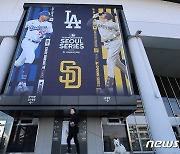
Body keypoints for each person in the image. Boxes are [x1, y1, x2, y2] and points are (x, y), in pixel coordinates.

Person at [87, 12, 127, 95]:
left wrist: (113, 35)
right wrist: (94, 17)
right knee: (117, 62)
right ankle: (127, 74)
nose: (101, 15)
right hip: (107, 44)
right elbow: (88, 24)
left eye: (103, 14)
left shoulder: (113, 24)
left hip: (114, 43)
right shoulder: (99, 22)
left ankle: (109, 87)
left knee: (109, 61)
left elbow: (120, 30)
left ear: (107, 16)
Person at [15, 11, 53, 93]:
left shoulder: (48, 25)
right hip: (27, 42)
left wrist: (44, 35)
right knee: (30, 58)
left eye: (48, 16)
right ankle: (22, 83)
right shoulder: (30, 22)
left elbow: (50, 33)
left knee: (18, 63)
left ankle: (10, 64)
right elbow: (21, 28)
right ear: (41, 15)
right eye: (46, 16)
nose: (47, 17)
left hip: (35, 44)